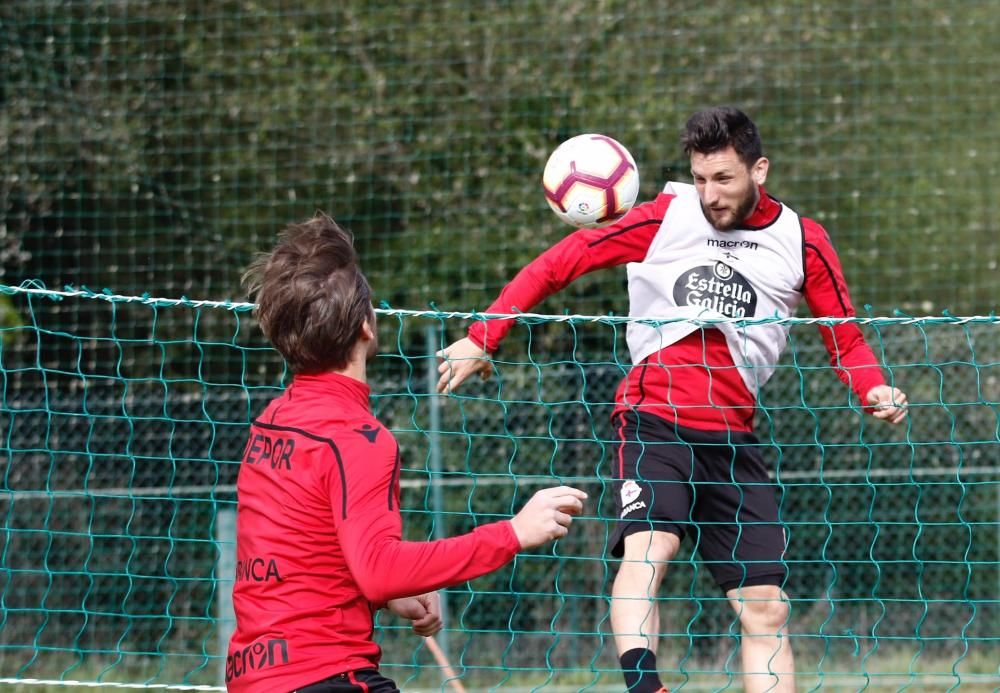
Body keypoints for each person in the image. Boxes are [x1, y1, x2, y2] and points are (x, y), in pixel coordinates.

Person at [436, 107, 909, 693]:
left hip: (733, 438)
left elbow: (847, 340)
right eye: (701, 178)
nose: (710, 194)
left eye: (725, 179)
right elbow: (558, 264)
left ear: (760, 169)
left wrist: (873, 387)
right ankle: (645, 687)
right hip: (654, 416)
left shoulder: (803, 240)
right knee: (650, 551)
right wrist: (483, 335)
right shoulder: (666, 217)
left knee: (767, 607)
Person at [227, 213, 587, 693]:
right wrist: (513, 533)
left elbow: (304, 553)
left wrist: (390, 594)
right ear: (365, 327)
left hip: (254, 677)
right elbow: (378, 569)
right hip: (325, 677)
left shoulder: (270, 423)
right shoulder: (357, 437)